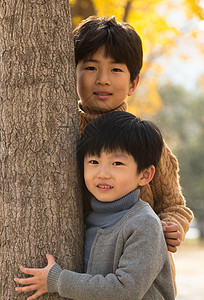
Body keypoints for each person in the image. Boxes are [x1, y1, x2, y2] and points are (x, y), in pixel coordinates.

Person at [73, 16, 194, 290]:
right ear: (73, 73)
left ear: (133, 83)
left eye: (116, 70)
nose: (102, 80)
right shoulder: (62, 136)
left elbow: (174, 204)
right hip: (84, 274)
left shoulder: (146, 143)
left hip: (140, 277)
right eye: (90, 67)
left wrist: (173, 225)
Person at [15, 111, 175, 300]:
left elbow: (126, 290)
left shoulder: (143, 223)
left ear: (144, 175)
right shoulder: (86, 219)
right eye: (93, 161)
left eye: (117, 163)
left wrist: (58, 281)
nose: (103, 173)